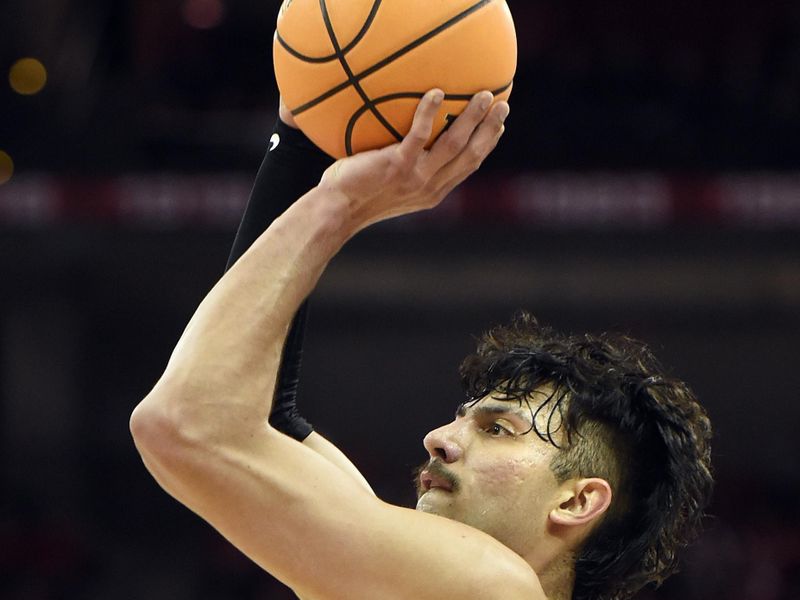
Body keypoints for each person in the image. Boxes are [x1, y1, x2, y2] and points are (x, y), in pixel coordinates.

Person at [130, 88, 713, 600]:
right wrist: (303, 144)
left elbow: (182, 425)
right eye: (463, 419)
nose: (438, 438)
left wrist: (342, 204)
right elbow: (261, 422)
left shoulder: (494, 585)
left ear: (576, 501)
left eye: (497, 429)